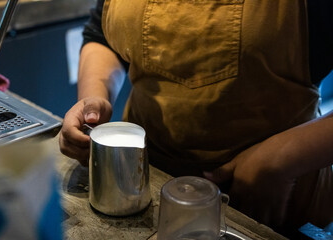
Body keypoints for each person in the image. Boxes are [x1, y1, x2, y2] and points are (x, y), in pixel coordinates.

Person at [59, 0, 333, 237]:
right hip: (142, 190)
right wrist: (93, 100)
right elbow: (103, 36)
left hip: (267, 205)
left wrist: (281, 158)